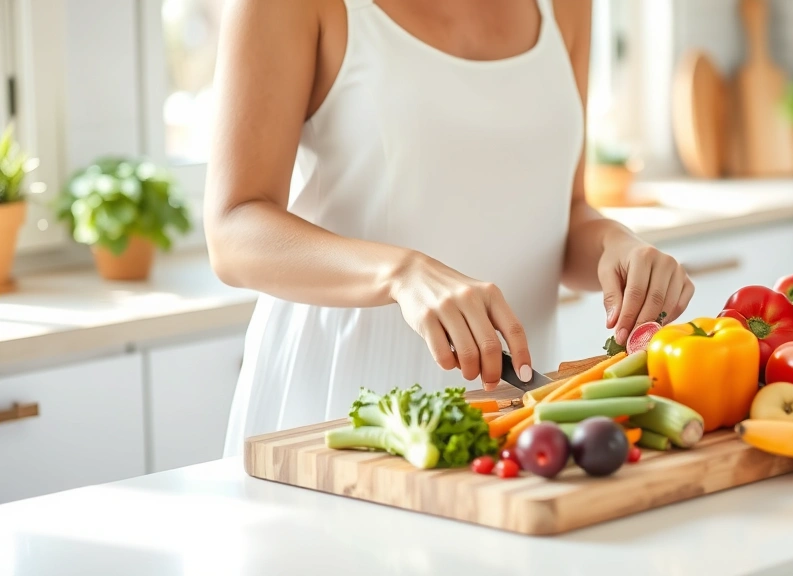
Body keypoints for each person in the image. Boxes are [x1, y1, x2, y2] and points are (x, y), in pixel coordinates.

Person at [206, 0, 694, 456]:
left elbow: (563, 211)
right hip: (338, 409)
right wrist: (402, 273)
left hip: (515, 413)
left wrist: (614, 243)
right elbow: (234, 228)